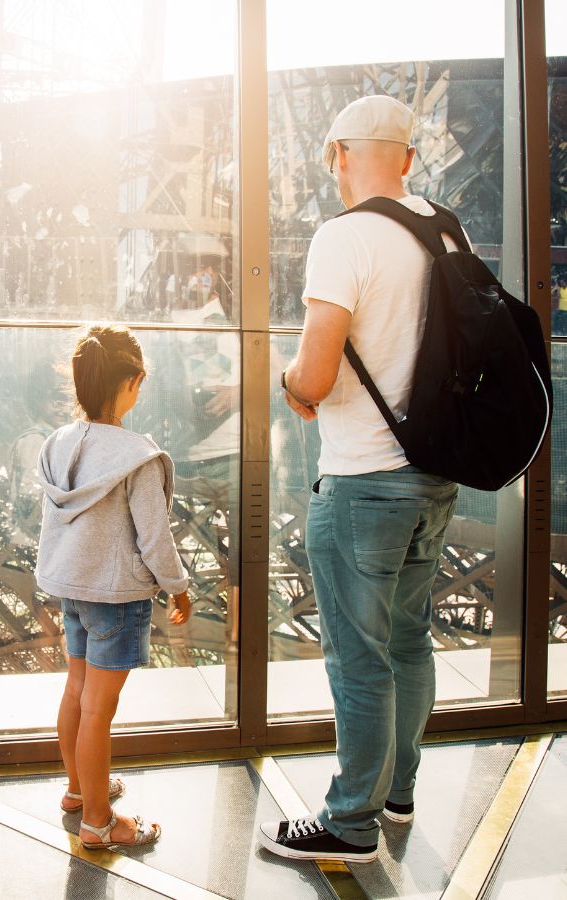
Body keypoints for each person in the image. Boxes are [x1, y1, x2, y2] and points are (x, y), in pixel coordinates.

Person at [259, 95, 461, 863]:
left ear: (339, 154)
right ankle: (398, 792)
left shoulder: (343, 238)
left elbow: (313, 371)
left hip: (364, 482)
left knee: (358, 658)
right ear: (407, 160)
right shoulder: (444, 228)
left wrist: (292, 379)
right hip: (434, 481)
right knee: (411, 641)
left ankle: (350, 822)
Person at [35, 325, 192, 850]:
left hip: (72, 589)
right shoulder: (137, 457)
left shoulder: (57, 444)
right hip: (117, 599)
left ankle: (80, 792)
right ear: (130, 381)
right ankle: (99, 825)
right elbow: (155, 536)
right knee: (100, 711)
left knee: (76, 693)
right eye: (140, 380)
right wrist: (178, 587)